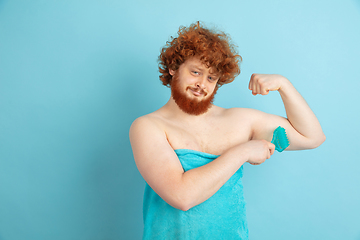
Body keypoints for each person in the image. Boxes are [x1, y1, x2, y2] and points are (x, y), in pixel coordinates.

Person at [129, 21, 325, 240]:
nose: (202, 84)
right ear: (173, 68)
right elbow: (182, 196)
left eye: (211, 77)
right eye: (195, 72)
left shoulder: (240, 120)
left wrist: (284, 86)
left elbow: (312, 137)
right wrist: (243, 151)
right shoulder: (147, 126)